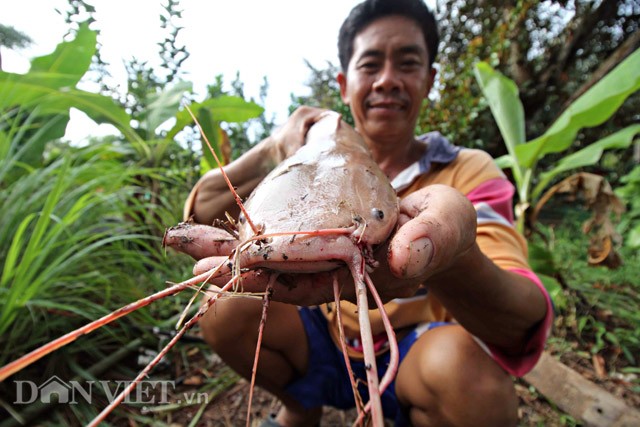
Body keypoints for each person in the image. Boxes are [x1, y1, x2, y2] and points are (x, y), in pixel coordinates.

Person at [179, 0, 553, 425]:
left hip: (414, 354)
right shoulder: (302, 154)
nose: (387, 81)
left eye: (407, 63)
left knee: (470, 378)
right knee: (224, 300)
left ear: (430, 79)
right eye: (371, 64)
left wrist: (452, 256)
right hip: (321, 335)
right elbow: (197, 213)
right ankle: (301, 411)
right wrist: (272, 149)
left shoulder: (469, 170)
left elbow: (521, 323)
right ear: (343, 83)